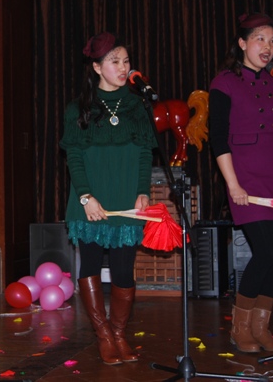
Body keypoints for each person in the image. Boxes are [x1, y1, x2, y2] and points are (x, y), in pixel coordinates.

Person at [209, 13, 273, 353]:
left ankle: (261, 329)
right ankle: (240, 329)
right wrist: (233, 185)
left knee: (271, 256)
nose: (267, 47)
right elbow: (218, 139)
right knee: (264, 251)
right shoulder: (224, 83)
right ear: (242, 43)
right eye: (259, 39)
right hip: (246, 180)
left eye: (272, 40)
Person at [59, 32, 158, 365]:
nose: (123, 67)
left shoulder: (137, 105)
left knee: (123, 271)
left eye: (126, 61)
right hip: (90, 200)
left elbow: (145, 152)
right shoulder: (78, 108)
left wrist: (143, 191)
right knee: (89, 265)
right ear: (97, 67)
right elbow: (74, 156)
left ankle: (119, 333)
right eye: (115, 61)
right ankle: (103, 334)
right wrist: (86, 197)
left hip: (126, 199)